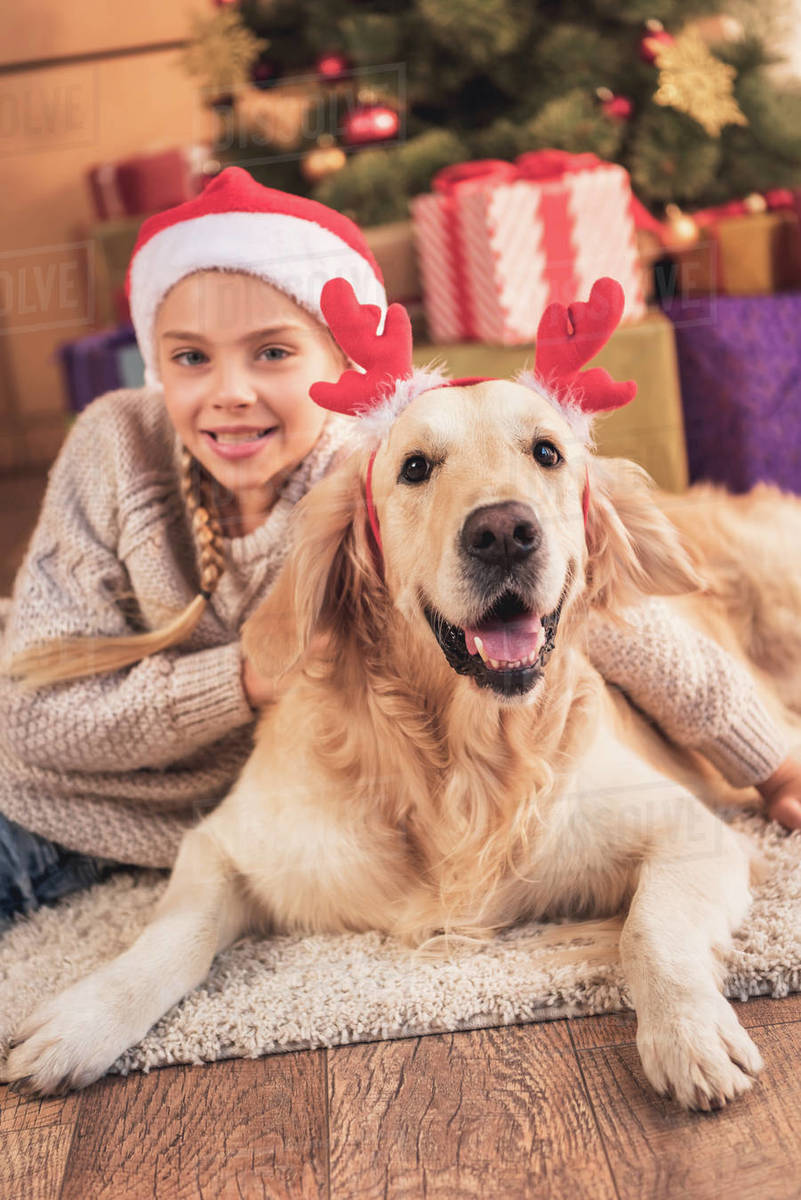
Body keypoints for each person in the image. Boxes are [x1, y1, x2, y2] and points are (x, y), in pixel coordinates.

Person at [0, 166, 799, 935]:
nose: (231, 390)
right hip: (40, 792)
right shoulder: (113, 442)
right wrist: (244, 680)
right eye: (189, 356)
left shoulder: (384, 482)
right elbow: (25, 719)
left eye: (272, 352)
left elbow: (611, 627)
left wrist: (769, 763)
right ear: (154, 363)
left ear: (337, 369)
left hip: (223, 818)